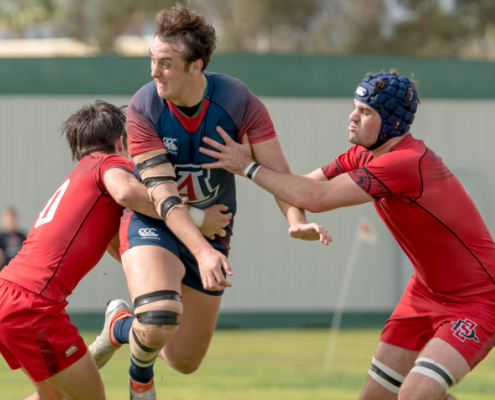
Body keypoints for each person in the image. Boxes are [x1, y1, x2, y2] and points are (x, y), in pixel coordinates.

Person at [200, 69, 495, 400]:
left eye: (366, 112)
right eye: (355, 106)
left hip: (478, 298)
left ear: (394, 123)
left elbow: (314, 197)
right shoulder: (363, 155)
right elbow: (298, 187)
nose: (353, 117)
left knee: (416, 395)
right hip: (424, 293)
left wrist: (248, 166)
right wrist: (295, 221)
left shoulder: (404, 163)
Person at [88, 4, 331, 399]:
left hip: (214, 232)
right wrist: (201, 249)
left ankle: (119, 324)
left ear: (196, 66)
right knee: (159, 316)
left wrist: (294, 217)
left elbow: (278, 173)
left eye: (165, 63)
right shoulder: (144, 106)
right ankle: (140, 381)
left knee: (185, 361)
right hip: (156, 221)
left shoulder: (238, 102)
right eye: (152, 60)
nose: (153, 72)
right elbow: (163, 196)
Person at [0, 101, 229, 400]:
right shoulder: (111, 163)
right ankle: (116, 331)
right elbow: (127, 192)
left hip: (0, 296)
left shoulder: (80, 176)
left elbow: (114, 243)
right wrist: (198, 219)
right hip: (31, 306)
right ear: (122, 142)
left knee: (52, 397)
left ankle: (116, 329)